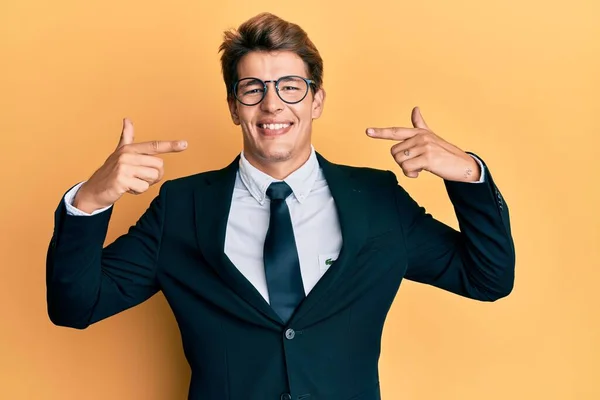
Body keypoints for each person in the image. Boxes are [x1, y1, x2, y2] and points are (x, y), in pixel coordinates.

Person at [46, 12, 515, 400]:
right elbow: (76, 305)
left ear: (316, 101)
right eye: (253, 89)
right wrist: (89, 201)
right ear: (234, 106)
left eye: (291, 86)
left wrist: (471, 175)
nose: (272, 104)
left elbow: (487, 277)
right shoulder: (182, 207)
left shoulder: (376, 199)